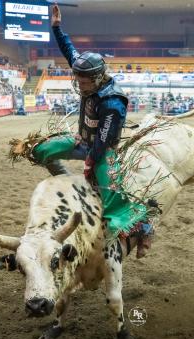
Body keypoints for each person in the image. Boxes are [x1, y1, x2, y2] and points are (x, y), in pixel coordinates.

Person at [20, 4, 154, 258]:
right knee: (40, 151)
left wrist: (92, 161)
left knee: (112, 204)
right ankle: (68, 180)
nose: (79, 85)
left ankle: (144, 224)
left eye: (83, 82)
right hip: (82, 140)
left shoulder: (112, 102)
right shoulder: (86, 70)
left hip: (103, 151)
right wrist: (57, 27)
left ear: (97, 78)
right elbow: (69, 50)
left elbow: (103, 141)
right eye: (78, 79)